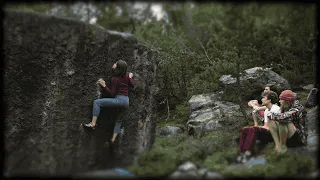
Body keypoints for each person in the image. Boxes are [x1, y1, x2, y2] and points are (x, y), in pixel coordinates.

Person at [83, 60, 134, 129]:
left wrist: (104, 86)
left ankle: (93, 124)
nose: (114, 64)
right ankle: (116, 133)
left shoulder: (114, 79)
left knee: (97, 102)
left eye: (116, 63)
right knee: (118, 120)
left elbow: (112, 94)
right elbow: (132, 85)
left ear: (118, 68)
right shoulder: (127, 77)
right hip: (126, 101)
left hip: (119, 100)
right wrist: (130, 78)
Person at [238, 90, 281, 163]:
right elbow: (266, 125)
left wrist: (259, 127)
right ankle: (242, 152)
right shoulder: (267, 110)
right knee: (245, 129)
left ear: (269, 100)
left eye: (264, 98)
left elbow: (272, 127)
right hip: (268, 130)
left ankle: (247, 152)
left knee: (253, 129)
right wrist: (259, 125)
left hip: (274, 133)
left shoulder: (275, 109)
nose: (261, 99)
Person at [268, 90, 307, 154]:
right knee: (271, 122)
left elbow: (284, 117)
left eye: (281, 99)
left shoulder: (298, 108)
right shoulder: (286, 107)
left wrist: (272, 115)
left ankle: (283, 147)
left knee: (283, 122)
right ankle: (278, 145)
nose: (279, 101)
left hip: (300, 137)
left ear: (287, 101)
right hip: (291, 133)